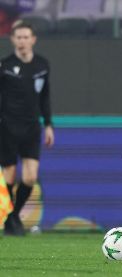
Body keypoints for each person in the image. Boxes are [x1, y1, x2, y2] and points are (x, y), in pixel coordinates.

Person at [0, 21, 54, 236]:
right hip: (7, 127)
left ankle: (13, 216)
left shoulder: (42, 65)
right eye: (18, 37)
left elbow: (45, 96)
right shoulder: (4, 66)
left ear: (33, 39)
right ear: (13, 40)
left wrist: (48, 124)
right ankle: (11, 221)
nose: (22, 41)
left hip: (32, 127)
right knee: (10, 178)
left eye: (26, 37)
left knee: (30, 178)